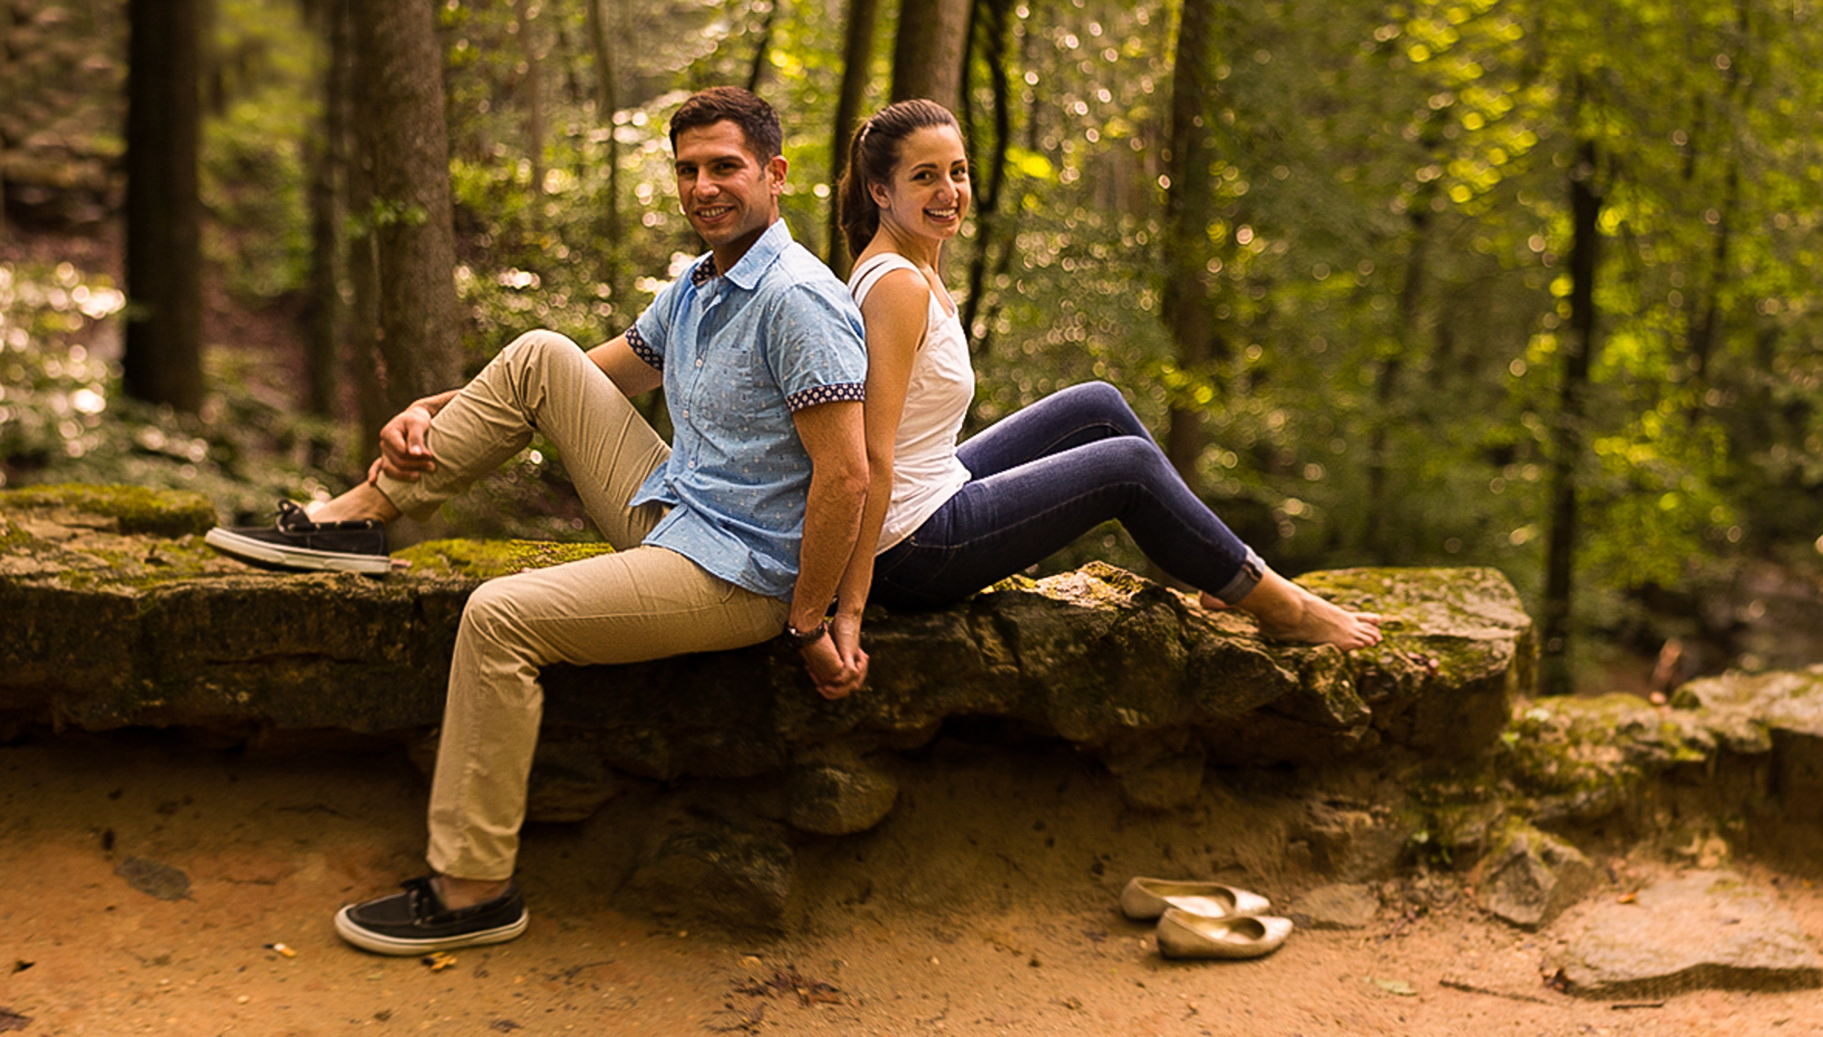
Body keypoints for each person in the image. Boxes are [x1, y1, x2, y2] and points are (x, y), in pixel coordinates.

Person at [205, 87, 870, 954]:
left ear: (774, 174)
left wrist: (810, 622)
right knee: (539, 355)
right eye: (688, 170)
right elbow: (580, 376)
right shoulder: (701, 285)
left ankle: (473, 887)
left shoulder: (797, 299)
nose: (703, 187)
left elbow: (847, 476)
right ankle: (355, 518)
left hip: (736, 570)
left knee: (499, 615)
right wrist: (431, 407)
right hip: (673, 507)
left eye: (725, 167)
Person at [825, 99, 1381, 671]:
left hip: (930, 492)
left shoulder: (914, 265)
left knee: (1097, 405)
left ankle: (1218, 564)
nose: (949, 191)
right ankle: (1281, 605)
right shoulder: (897, 286)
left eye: (958, 171)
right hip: (912, 548)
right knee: (1127, 467)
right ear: (880, 191)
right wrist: (850, 608)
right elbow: (871, 455)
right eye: (925, 176)